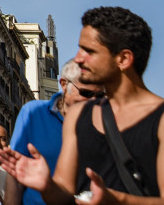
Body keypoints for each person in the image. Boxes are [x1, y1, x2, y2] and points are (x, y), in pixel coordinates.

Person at [0, 7, 164, 205]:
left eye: (89, 51)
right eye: (79, 48)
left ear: (123, 59)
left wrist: (117, 201)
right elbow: (63, 193)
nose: (78, 58)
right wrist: (47, 185)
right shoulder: (78, 114)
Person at [5, 59, 96, 205]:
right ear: (64, 85)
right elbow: (15, 172)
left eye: (98, 95)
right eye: (86, 93)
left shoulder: (100, 120)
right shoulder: (33, 113)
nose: (92, 100)